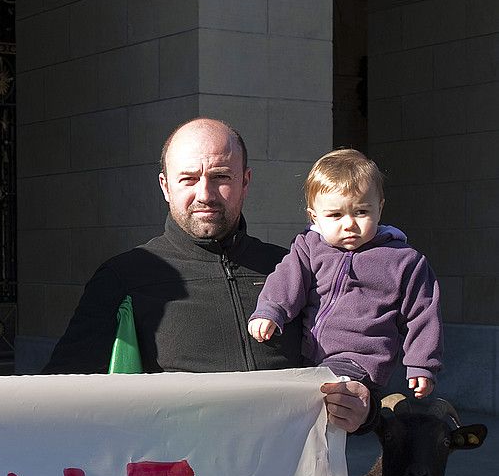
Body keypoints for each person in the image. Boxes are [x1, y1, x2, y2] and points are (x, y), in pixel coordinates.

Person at [43, 117, 371, 432]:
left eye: (221, 177)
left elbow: (353, 355)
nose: (205, 194)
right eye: (189, 179)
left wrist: (363, 410)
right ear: (165, 186)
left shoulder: (298, 268)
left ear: (245, 182)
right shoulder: (123, 276)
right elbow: (56, 397)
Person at [248, 149, 441, 397]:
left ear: (379, 208)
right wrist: (270, 310)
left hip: (362, 360)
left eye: (361, 212)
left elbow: (423, 314)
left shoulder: (403, 260)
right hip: (310, 354)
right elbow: (287, 279)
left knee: (323, 395)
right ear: (314, 217)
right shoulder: (309, 247)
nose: (349, 224)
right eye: (335, 215)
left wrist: (422, 364)